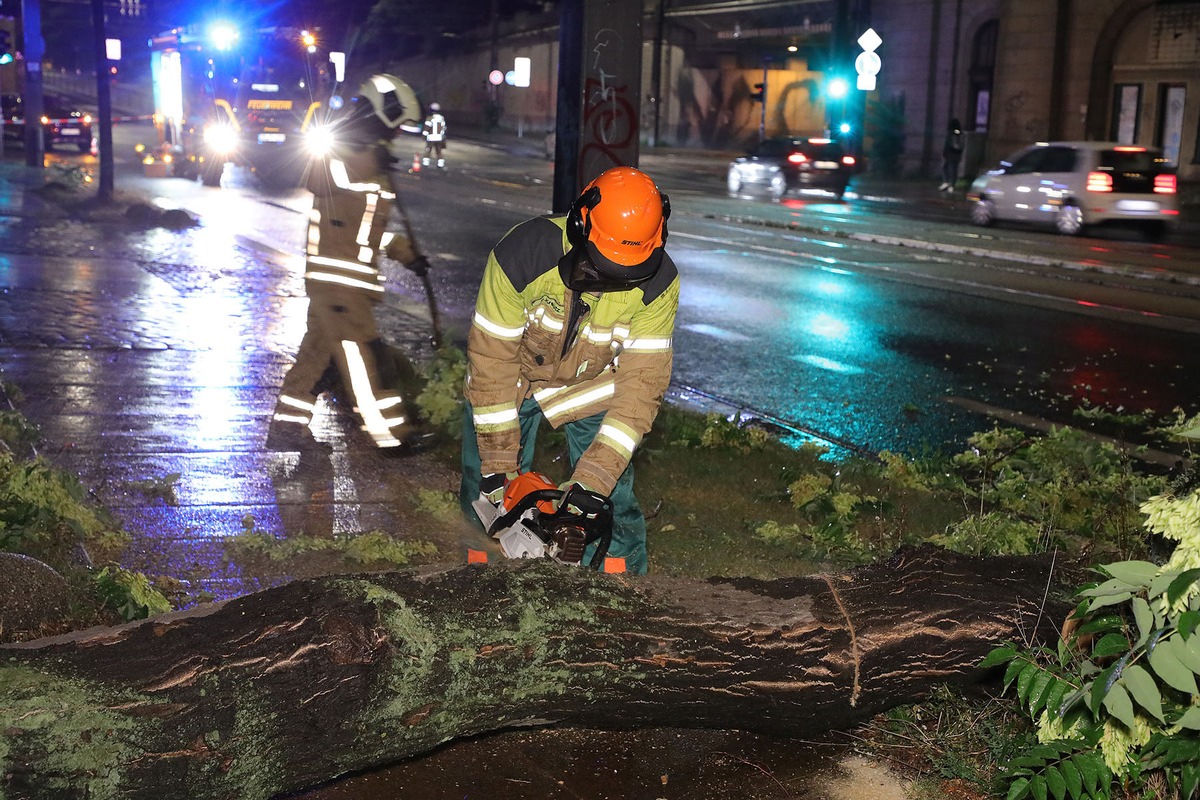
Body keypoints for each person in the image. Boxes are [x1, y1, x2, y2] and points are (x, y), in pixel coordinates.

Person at [460, 166, 679, 575]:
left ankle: (623, 594)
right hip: (514, 379)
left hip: (591, 382)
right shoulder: (522, 255)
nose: (611, 281)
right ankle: (478, 582)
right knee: (485, 490)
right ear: (580, 224)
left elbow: (641, 388)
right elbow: (492, 362)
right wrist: (497, 467)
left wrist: (592, 485)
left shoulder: (659, 283)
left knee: (615, 500)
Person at [269, 74, 433, 454]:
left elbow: (370, 232)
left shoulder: (367, 160)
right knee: (363, 356)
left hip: (343, 279)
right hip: (339, 280)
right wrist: (372, 159)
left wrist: (409, 256)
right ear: (382, 113)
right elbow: (325, 175)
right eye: (396, 124)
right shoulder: (341, 154)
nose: (397, 134)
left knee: (315, 354)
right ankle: (390, 436)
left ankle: (288, 427)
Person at [939, 117, 964, 192]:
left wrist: (944, 153)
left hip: (951, 153)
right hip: (954, 154)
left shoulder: (952, 132)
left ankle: (949, 184)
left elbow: (947, 144)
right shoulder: (957, 132)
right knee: (950, 169)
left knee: (949, 168)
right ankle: (949, 183)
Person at [422, 102, 447, 169]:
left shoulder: (430, 118)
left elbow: (427, 127)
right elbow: (444, 127)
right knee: (439, 151)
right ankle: (440, 164)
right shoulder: (442, 118)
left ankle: (426, 163)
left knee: (428, 150)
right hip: (439, 138)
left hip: (431, 137)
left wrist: (424, 134)